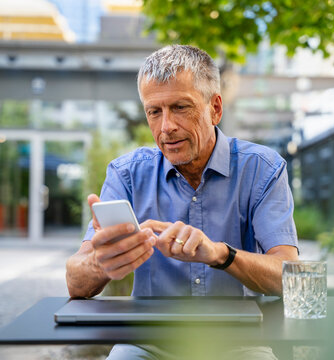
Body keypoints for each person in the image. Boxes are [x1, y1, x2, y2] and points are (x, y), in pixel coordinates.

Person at [65, 45, 299, 360]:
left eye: (180, 107)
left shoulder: (262, 169)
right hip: (146, 344)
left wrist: (220, 254)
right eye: (154, 112)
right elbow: (76, 281)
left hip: (239, 344)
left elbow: (290, 276)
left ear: (215, 108)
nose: (166, 127)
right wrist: (101, 262)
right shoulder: (126, 174)